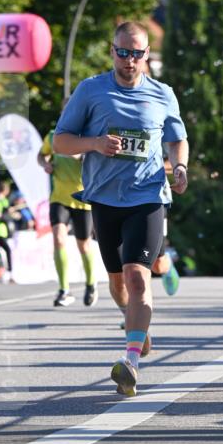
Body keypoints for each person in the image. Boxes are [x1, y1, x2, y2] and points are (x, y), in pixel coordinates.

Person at [53, 20, 189, 396]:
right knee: (117, 283)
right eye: (123, 52)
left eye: (137, 54)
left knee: (136, 276)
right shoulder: (90, 90)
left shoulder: (163, 94)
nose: (130, 60)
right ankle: (135, 326)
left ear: (147, 55)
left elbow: (178, 140)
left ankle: (130, 361)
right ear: (112, 51)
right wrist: (95, 144)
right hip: (103, 199)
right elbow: (61, 143)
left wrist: (179, 167)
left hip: (147, 197)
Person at [37, 127, 99, 307]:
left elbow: (95, 162)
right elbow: (41, 155)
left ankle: (90, 283)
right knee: (58, 239)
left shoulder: (88, 136)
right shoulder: (52, 136)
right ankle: (64, 289)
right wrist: (45, 164)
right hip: (59, 198)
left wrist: (77, 154)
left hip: (82, 199)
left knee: (84, 244)